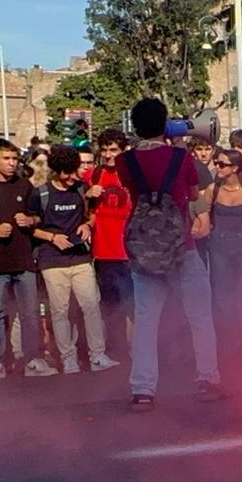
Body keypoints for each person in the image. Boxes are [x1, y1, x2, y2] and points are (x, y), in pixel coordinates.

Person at [117, 97, 222, 410]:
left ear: (134, 126)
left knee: (146, 321)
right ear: (165, 123)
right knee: (200, 316)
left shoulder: (125, 162)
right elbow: (192, 194)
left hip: (145, 249)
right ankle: (208, 378)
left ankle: (143, 389)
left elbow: (134, 189)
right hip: (182, 247)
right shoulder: (180, 157)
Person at [0, 140, 57, 381]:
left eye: (15, 159)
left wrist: (30, 221)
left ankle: (33, 359)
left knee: (29, 313)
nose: (11, 164)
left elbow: (38, 216)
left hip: (23, 259)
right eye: (6, 159)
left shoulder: (24, 185)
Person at [29, 147, 118, 375]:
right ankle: (68, 358)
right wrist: (52, 237)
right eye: (66, 173)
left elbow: (94, 213)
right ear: (55, 170)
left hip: (80, 257)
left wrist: (87, 225)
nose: (71, 177)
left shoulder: (81, 188)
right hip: (52, 260)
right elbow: (31, 228)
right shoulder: (41, 194)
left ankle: (97, 355)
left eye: (73, 172)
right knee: (60, 310)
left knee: (91, 306)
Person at [205, 148, 242, 355]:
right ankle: (227, 340)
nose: (217, 167)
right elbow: (202, 211)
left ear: (235, 168)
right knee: (222, 296)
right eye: (216, 163)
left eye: (222, 164)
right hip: (219, 246)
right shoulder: (214, 188)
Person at [87, 129, 134, 359]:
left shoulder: (133, 174)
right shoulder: (93, 175)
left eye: (113, 149)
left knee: (134, 307)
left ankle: (142, 349)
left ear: (123, 150)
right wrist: (88, 195)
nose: (108, 155)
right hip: (104, 253)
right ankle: (117, 351)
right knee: (111, 308)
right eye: (104, 150)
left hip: (130, 253)